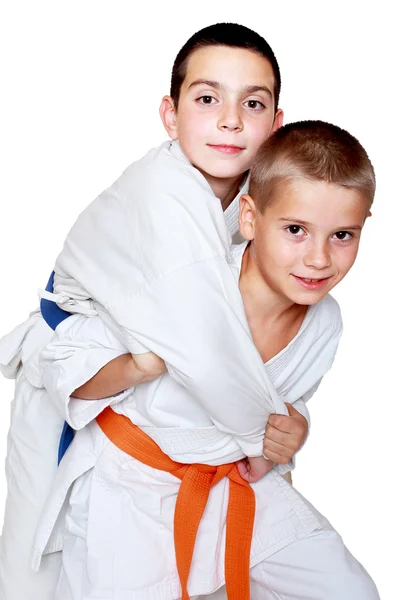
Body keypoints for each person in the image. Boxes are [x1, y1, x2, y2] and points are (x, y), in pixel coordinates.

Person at [32, 121, 379, 600]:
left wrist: (293, 430)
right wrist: (137, 366)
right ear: (250, 219)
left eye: (342, 235)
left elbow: (275, 409)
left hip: (232, 481)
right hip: (133, 488)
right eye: (296, 230)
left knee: (347, 591)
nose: (319, 258)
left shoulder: (325, 323)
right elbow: (63, 366)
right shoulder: (185, 283)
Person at [0, 22, 287, 600]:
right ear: (170, 114)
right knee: (37, 575)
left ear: (276, 123)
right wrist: (269, 434)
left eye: (251, 103)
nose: (230, 119)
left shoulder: (260, 193)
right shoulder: (164, 192)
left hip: (153, 402)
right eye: (207, 99)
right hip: (75, 375)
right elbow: (208, 347)